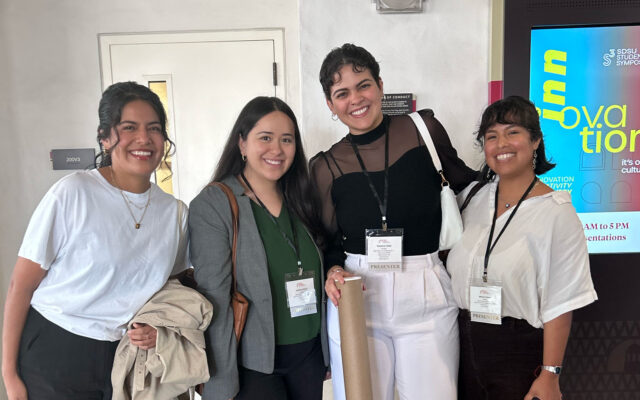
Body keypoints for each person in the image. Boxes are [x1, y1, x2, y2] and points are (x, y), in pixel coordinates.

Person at [1, 81, 189, 400]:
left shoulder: (174, 213)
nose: (143, 138)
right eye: (129, 127)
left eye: (154, 128)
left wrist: (160, 331)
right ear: (105, 138)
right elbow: (21, 285)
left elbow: (168, 290)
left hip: (127, 356)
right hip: (56, 351)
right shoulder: (73, 192)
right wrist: (9, 375)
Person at [310, 43, 477, 400]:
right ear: (330, 104)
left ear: (380, 85)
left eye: (363, 85)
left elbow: (466, 185)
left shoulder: (423, 130)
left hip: (427, 290)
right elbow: (324, 240)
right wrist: (331, 271)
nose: (355, 98)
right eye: (342, 93)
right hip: (357, 294)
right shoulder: (324, 165)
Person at [447, 95, 598, 400]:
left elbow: (561, 300)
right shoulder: (472, 199)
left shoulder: (556, 212)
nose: (501, 143)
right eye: (491, 136)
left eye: (512, 132)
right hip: (460, 347)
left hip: (516, 354)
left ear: (535, 142)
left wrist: (550, 373)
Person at [189, 96, 328, 400]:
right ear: (242, 143)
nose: (277, 149)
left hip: (309, 356)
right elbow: (215, 300)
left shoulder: (302, 198)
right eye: (265, 138)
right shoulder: (215, 204)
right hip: (252, 365)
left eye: (286, 140)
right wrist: (221, 382)